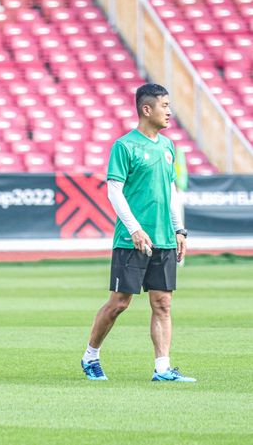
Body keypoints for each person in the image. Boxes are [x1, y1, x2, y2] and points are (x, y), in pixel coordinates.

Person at [81, 83, 194, 382]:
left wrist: (179, 229)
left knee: (162, 303)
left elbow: (170, 191)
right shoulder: (125, 146)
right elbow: (114, 191)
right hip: (132, 239)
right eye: (164, 105)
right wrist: (134, 229)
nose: (169, 111)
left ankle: (162, 368)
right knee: (120, 303)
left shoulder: (168, 147)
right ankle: (90, 356)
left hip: (164, 238)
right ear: (147, 109)